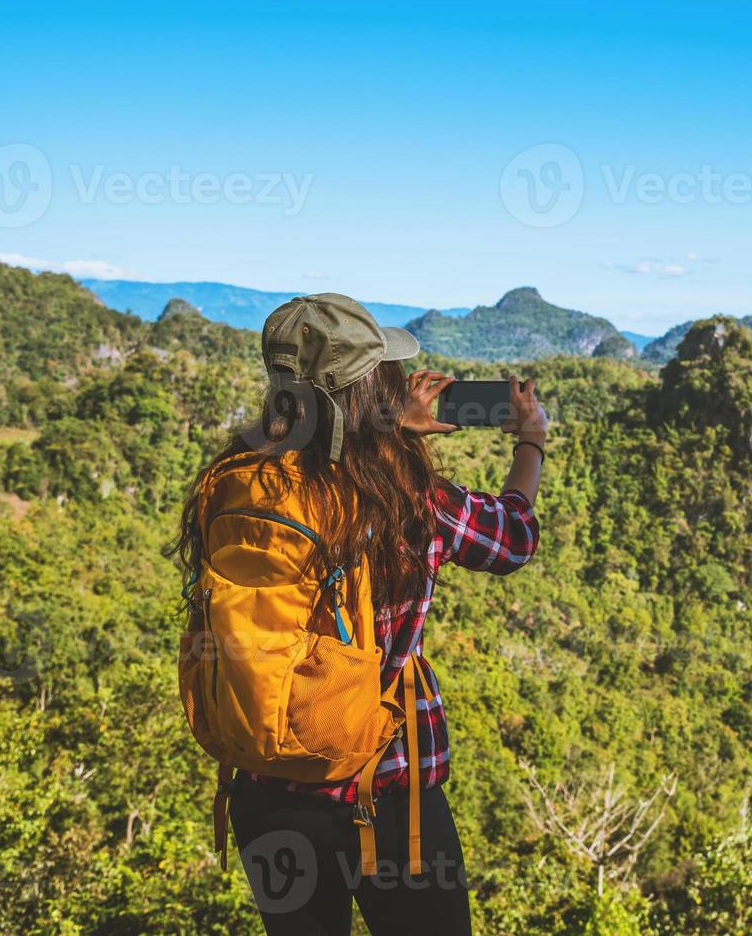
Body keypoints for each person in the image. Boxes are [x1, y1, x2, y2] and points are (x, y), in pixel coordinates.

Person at [173, 294, 546, 935]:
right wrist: (530, 440)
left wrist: (385, 431)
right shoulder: (405, 494)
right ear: (373, 388)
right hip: (386, 797)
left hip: (264, 789)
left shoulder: (234, 479)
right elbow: (512, 538)